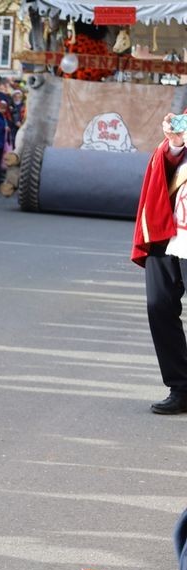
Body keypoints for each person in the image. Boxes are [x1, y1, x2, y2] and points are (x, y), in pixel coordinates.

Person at [132, 112, 187, 414]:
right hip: (170, 232)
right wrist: (174, 144)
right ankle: (180, 387)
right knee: (159, 306)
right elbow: (163, 166)